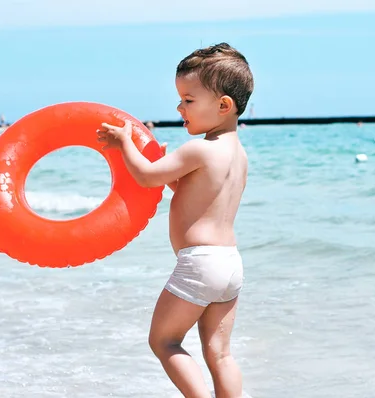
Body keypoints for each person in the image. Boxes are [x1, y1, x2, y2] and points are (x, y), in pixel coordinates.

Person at [97, 42, 253, 398]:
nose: (179, 107)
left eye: (188, 99)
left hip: (199, 264)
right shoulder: (238, 156)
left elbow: (146, 176)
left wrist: (125, 144)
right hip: (230, 264)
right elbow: (193, 195)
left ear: (223, 105)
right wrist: (170, 176)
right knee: (220, 354)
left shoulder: (199, 148)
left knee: (164, 341)